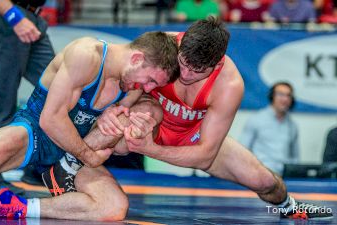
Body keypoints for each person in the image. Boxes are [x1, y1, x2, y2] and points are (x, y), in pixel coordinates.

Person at [46, 17, 332, 220]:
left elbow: (205, 156)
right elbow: (124, 72)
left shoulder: (229, 84)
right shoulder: (165, 45)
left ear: (216, 63)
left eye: (197, 71)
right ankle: (65, 167)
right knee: (135, 112)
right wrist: (114, 107)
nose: (185, 74)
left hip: (191, 136)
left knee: (264, 180)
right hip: (149, 119)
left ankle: (288, 205)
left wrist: (151, 150)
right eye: (182, 64)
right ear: (180, 45)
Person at [0, 31, 180, 221]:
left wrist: (112, 123)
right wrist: (87, 155)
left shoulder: (131, 87)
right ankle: (63, 167)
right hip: (36, 135)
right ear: (137, 58)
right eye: (149, 80)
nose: (148, 88)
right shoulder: (87, 55)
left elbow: (118, 145)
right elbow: (51, 119)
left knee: (113, 207)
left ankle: (18, 207)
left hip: (72, 151)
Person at [0, 0, 55, 194]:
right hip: (8, 16)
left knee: (59, 91)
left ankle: (38, 165)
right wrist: (13, 16)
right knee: (1, 100)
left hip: (32, 16)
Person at [240, 82, 299, 175]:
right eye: (281, 94)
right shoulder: (256, 119)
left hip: (284, 177)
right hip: (260, 174)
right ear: (272, 97)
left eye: (288, 95)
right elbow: (243, 150)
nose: (285, 99)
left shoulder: (292, 125)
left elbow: (295, 158)